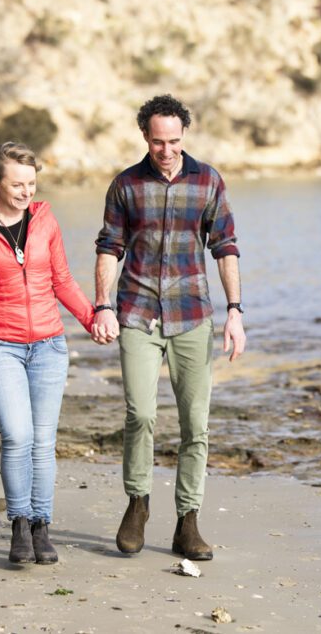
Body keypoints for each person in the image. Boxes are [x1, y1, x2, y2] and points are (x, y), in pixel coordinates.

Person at [92, 94, 245, 561]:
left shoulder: (208, 181)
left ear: (184, 135)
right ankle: (137, 504)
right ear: (145, 136)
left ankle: (188, 522)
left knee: (195, 424)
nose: (166, 150)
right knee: (140, 413)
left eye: (174, 141)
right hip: (137, 311)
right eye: (158, 142)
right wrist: (102, 305)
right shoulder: (125, 185)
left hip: (192, 315)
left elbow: (225, 246)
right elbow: (109, 246)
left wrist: (235, 311)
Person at [0, 142, 95, 565]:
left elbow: (62, 280)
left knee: (44, 442)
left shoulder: (46, 221)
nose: (25, 191)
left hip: (49, 345)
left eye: (31, 183)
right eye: (16, 184)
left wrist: (92, 319)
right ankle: (19, 523)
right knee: (17, 436)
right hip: (0, 346)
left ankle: (41, 526)